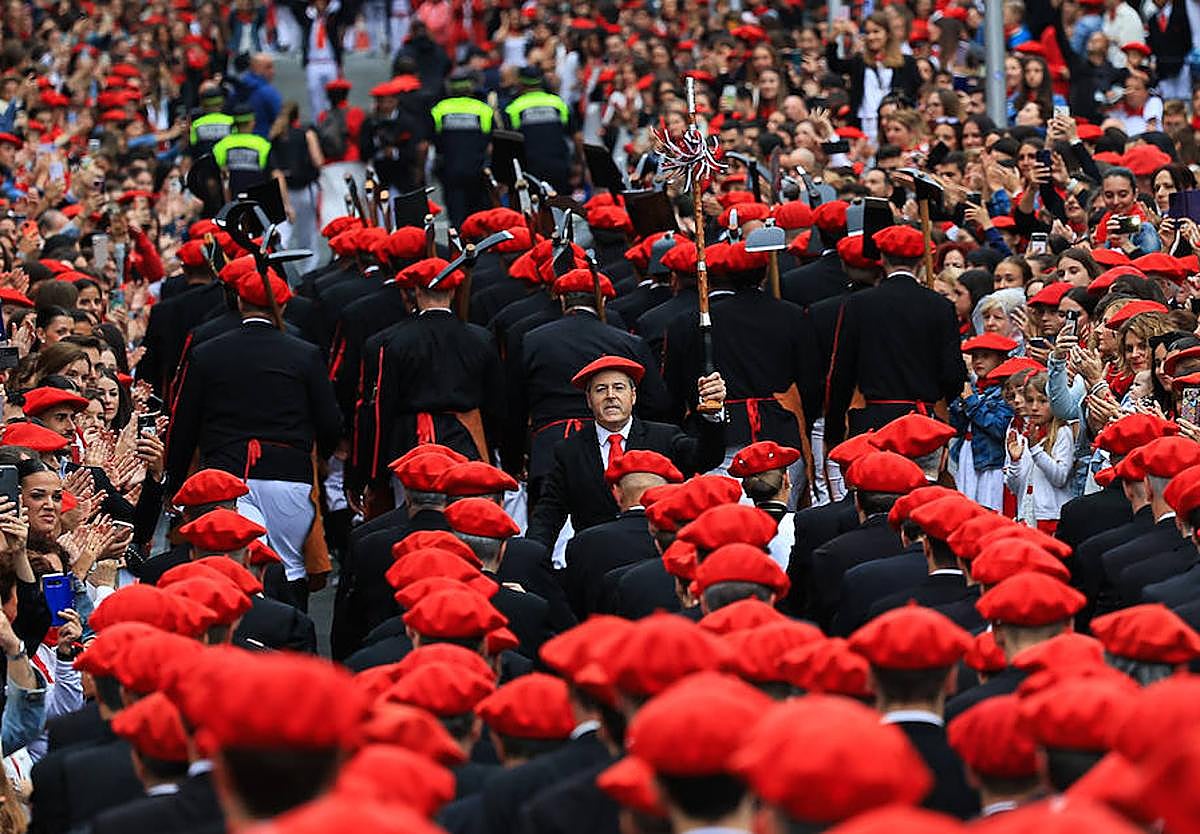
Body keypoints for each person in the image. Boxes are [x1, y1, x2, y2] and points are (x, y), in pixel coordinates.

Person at [166, 270, 342, 612]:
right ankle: (291, 637)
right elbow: (329, 421)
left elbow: (183, 423)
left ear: (240, 300)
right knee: (290, 567)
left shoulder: (207, 353)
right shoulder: (304, 354)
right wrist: (323, 457)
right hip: (289, 477)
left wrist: (174, 481)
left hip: (226, 479)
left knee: (230, 566)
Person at [527, 356, 726, 549]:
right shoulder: (570, 450)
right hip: (597, 557)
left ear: (633, 395)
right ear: (588, 400)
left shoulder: (664, 437)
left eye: (619, 388)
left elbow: (706, 457)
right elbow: (548, 514)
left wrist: (712, 414)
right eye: (601, 389)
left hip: (653, 554)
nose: (610, 396)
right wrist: (529, 560)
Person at [825, 225, 968, 447]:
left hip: (873, 422)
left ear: (881, 259)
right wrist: (934, 402)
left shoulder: (858, 304)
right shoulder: (940, 306)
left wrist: (833, 433)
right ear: (921, 260)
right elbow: (953, 374)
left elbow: (842, 372)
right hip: (924, 423)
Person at [431, 70, 495, 227]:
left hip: (450, 170)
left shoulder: (439, 109)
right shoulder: (484, 110)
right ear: (470, 88)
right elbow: (490, 142)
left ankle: (457, 248)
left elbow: (434, 139)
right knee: (478, 217)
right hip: (477, 171)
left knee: (456, 217)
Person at [503, 67, 574, 195]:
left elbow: (508, 146)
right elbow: (576, 136)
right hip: (559, 167)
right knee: (561, 207)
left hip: (529, 171)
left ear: (520, 83)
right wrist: (578, 163)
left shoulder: (513, 109)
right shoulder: (559, 103)